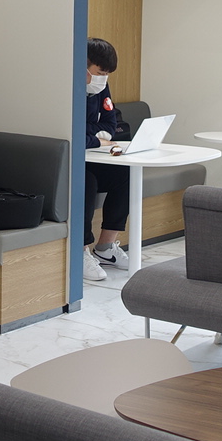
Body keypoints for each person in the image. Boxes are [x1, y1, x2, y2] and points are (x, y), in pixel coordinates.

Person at [84, 37, 132, 282]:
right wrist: (96, 138)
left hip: (90, 156)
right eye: (100, 72)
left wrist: (91, 136)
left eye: (107, 74)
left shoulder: (100, 87)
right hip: (66, 162)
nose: (103, 79)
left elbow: (111, 125)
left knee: (125, 174)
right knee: (86, 181)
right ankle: (80, 251)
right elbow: (69, 131)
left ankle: (105, 249)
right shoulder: (65, 88)